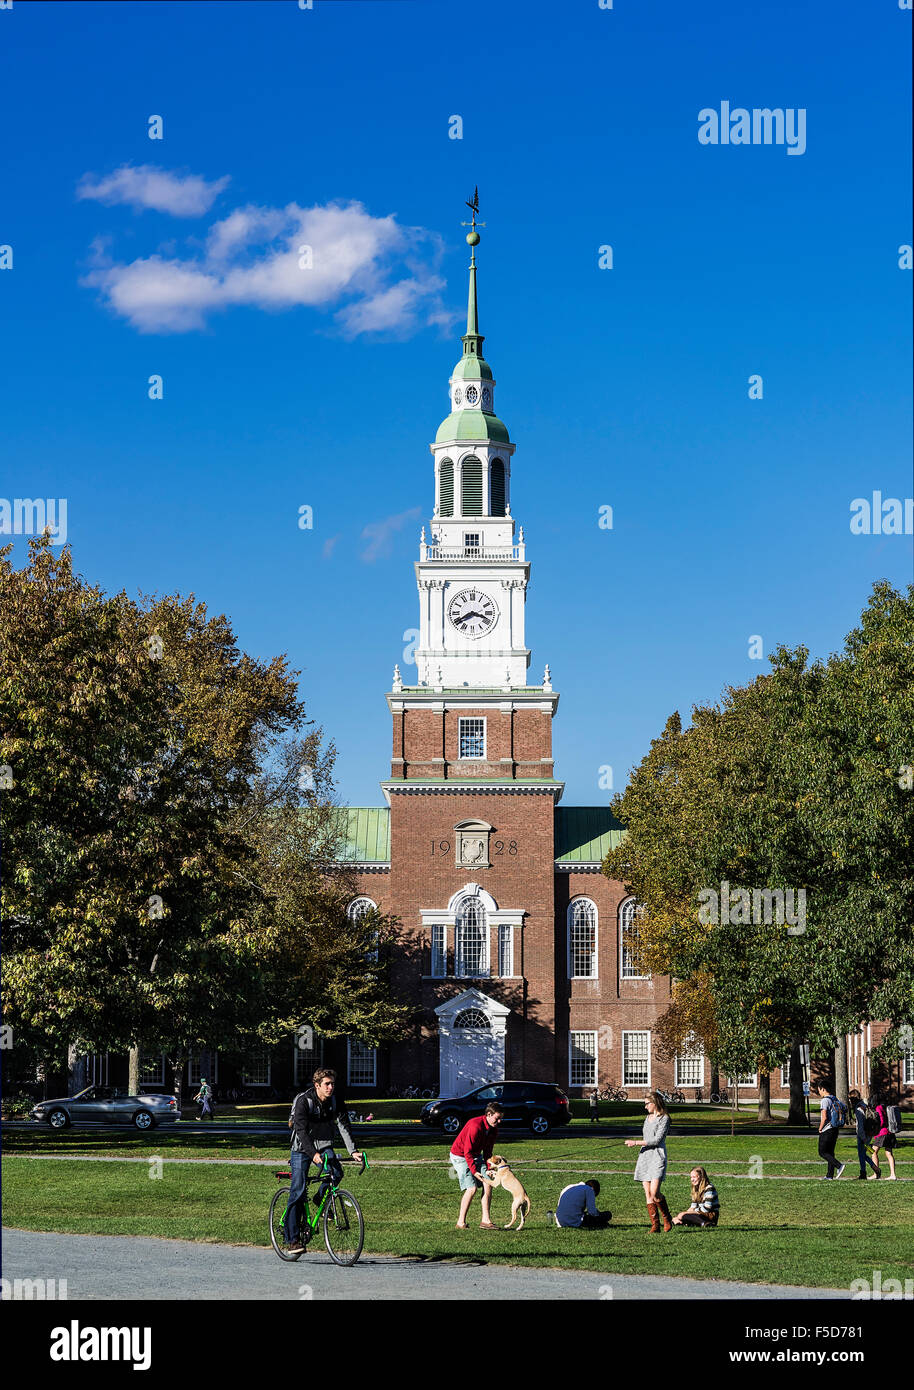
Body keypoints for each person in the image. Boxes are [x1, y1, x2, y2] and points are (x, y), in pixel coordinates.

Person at [283, 1068, 362, 1254]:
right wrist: (313, 1154)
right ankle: (292, 1239)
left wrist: (353, 1151)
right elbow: (301, 1131)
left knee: (336, 1173)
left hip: (324, 1144)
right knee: (298, 1190)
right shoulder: (304, 1101)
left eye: (333, 1083)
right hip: (301, 1148)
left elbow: (344, 1125)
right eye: (327, 1084)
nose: (331, 1087)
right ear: (317, 1085)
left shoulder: (335, 1101)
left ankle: (320, 1197)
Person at [449, 1103, 504, 1230]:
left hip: (475, 1155)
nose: (499, 1121)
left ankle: (486, 1221)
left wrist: (489, 1169)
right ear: (488, 1115)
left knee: (488, 1182)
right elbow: (467, 1151)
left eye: (501, 1118)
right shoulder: (475, 1126)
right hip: (460, 1156)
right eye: (497, 1118)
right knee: (472, 1188)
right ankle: (460, 1223)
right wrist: (474, 1171)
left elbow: (488, 1152)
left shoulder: (493, 1129)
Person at [625, 1090, 672, 1233]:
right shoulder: (647, 1118)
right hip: (645, 1156)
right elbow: (647, 1136)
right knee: (648, 1194)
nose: (645, 1107)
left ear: (654, 1103)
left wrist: (635, 1142)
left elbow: (657, 1140)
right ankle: (655, 1225)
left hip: (657, 1156)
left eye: (647, 1104)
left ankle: (666, 1217)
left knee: (655, 1192)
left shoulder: (664, 1118)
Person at [815, 1083, 847, 1180]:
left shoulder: (825, 1101)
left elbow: (824, 1117)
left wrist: (820, 1128)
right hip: (835, 1129)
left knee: (822, 1152)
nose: (819, 1092)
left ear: (823, 1089)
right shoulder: (834, 1099)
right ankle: (830, 1175)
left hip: (827, 1129)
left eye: (819, 1090)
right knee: (830, 1152)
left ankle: (839, 1165)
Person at [849, 1089, 878, 1180]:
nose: (850, 1101)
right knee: (863, 1153)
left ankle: (866, 1172)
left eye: (850, 1099)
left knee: (861, 1154)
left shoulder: (858, 1109)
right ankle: (873, 1169)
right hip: (869, 1132)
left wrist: (862, 1137)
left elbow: (860, 1125)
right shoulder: (864, 1106)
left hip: (863, 1135)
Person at [869, 1093, 897, 1180]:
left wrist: (874, 1128)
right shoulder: (887, 1107)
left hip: (882, 1133)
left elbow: (881, 1121)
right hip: (890, 1132)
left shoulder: (878, 1108)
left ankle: (876, 1173)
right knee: (889, 1153)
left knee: (872, 1152)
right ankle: (893, 1175)